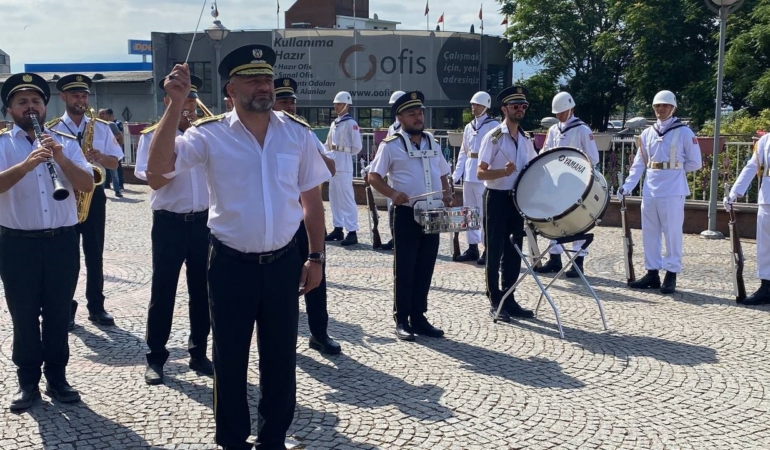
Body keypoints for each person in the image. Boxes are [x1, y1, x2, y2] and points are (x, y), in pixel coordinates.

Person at [147, 44, 329, 450]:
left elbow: (312, 201)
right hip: (230, 263)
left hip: (284, 261)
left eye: (266, 77)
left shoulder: (297, 134)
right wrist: (175, 105)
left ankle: (273, 438)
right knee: (229, 358)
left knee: (280, 356)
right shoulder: (207, 136)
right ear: (231, 89)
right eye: (253, 79)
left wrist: (315, 256)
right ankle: (231, 439)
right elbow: (157, 173)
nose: (264, 85)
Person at [0, 72, 95, 410]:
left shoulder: (65, 142)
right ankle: (28, 382)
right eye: (22, 102)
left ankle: (57, 377)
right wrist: (25, 166)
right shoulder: (1, 144)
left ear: (44, 106)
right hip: (17, 245)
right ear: (10, 109)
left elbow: (86, 185)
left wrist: (61, 158)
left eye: (36, 101)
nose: (30, 107)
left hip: (61, 243)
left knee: (57, 314)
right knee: (23, 315)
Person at [134, 75, 213, 385]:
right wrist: (174, 156)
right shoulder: (151, 137)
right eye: (182, 102)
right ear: (168, 102)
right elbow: (155, 178)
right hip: (169, 222)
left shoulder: (204, 137)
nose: (189, 108)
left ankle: (199, 353)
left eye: (192, 103)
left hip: (203, 222)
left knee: (202, 292)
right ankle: (155, 357)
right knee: (163, 291)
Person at [368, 91, 452, 341]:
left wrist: (447, 191)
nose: (418, 117)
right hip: (406, 214)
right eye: (412, 113)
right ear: (400, 117)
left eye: (420, 113)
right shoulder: (391, 145)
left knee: (426, 266)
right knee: (405, 267)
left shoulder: (432, 142)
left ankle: (419, 316)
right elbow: (373, 176)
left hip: (433, 213)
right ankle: (402, 318)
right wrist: (392, 193)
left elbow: (443, 172)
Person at [47, 74, 124, 329]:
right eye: (75, 95)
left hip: (94, 196)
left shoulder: (101, 127)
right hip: (66, 195)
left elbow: (116, 163)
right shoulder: (53, 128)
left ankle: (96, 306)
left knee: (95, 253)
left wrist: (101, 156)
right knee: (66, 256)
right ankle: (65, 307)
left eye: (84, 95)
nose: (81, 100)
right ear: (64, 98)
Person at [272, 76, 341, 355]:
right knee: (282, 283)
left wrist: (311, 150)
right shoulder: (266, 134)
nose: (290, 106)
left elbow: (331, 169)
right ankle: (282, 338)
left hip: (308, 218)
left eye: (292, 101)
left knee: (317, 277)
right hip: (282, 220)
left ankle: (319, 333)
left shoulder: (305, 133)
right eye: (284, 101)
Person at [619, 90, 702, 294]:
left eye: (664, 105)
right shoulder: (647, 133)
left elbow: (695, 163)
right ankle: (652, 272)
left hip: (673, 188)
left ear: (673, 108)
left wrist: (675, 168)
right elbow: (639, 163)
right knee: (650, 232)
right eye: (657, 106)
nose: (660, 109)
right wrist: (628, 186)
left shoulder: (684, 132)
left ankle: (671, 273)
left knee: (672, 232)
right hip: (651, 186)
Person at [476, 86, 537, 323]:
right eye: (515, 106)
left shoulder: (526, 139)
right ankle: (495, 300)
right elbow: (480, 173)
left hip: (516, 199)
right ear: (504, 109)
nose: (520, 109)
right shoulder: (493, 138)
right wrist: (503, 171)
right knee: (494, 251)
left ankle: (509, 298)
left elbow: (532, 168)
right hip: (497, 199)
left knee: (514, 251)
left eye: (523, 106)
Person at [536, 91, 600, 277]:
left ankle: (577, 260)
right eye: (557, 113)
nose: (558, 116)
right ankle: (554, 258)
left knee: (576, 221)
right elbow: (545, 152)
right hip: (555, 181)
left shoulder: (582, 130)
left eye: (561, 112)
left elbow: (593, 158)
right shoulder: (554, 130)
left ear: (570, 109)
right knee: (553, 219)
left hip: (575, 182)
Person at [451, 91, 498, 264]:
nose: (473, 107)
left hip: (484, 174)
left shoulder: (494, 126)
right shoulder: (469, 126)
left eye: (476, 104)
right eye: (472, 104)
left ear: (485, 105)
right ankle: (472, 247)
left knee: (484, 213)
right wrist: (456, 175)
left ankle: (487, 249)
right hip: (469, 173)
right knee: (469, 213)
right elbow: (463, 152)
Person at [726, 134, 770, 304]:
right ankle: (766, 285)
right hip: (767, 197)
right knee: (765, 246)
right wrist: (734, 193)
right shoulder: (765, 140)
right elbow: (752, 166)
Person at [325, 91, 363, 246]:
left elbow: (357, 147)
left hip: (344, 164)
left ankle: (352, 231)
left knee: (346, 198)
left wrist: (343, 152)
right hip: (333, 163)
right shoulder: (336, 123)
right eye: (335, 104)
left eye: (339, 104)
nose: (336, 106)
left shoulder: (350, 123)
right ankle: (338, 227)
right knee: (334, 198)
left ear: (346, 105)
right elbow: (328, 143)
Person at [98, 108, 124, 197]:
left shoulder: (111, 125)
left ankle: (117, 190)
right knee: (100, 172)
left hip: (110, 153)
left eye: (104, 113)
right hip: (100, 153)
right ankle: (100, 192)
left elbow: (120, 136)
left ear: (107, 115)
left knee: (114, 173)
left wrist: (118, 148)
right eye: (100, 114)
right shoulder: (95, 124)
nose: (102, 115)